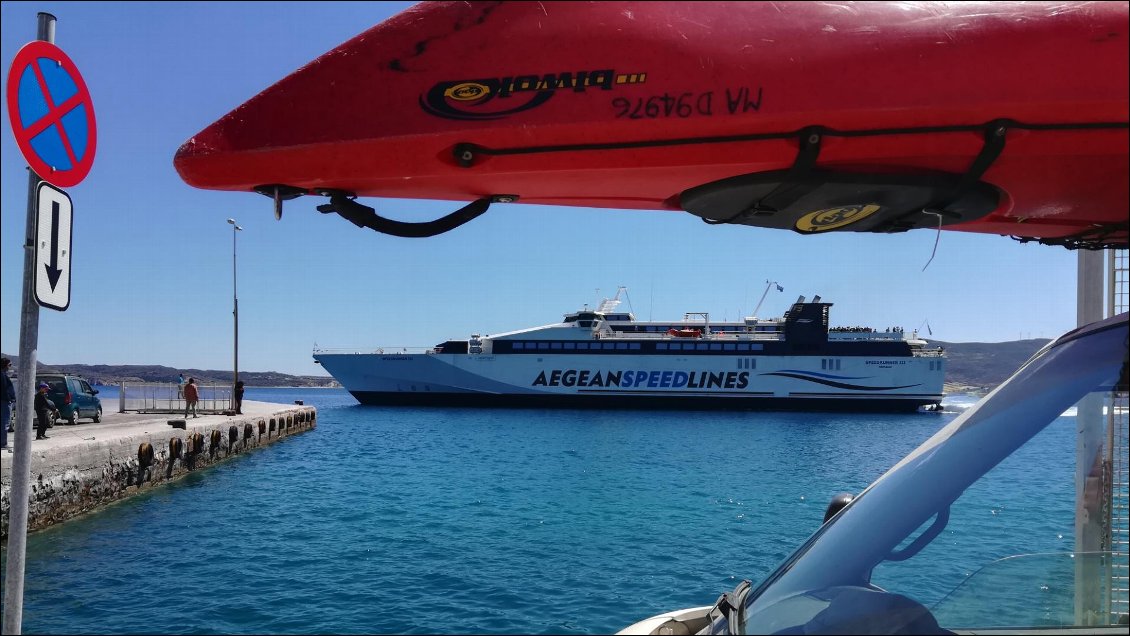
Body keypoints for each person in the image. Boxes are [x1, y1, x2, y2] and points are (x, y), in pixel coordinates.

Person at [1, 358, 13, 451]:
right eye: (9, 365)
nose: (10, 367)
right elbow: (4, 389)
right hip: (5, 401)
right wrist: (9, 398)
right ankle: (3, 443)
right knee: (5, 422)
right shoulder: (3, 375)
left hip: (4, 400)